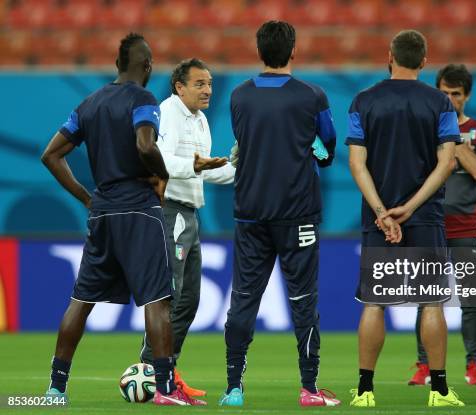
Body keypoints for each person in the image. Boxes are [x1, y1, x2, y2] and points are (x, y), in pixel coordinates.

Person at [40, 33, 203, 406]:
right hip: (139, 212)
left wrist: (87, 198)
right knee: (158, 301)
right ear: (147, 67)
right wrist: (161, 177)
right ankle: (164, 390)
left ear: (117, 65)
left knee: (80, 301)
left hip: (103, 214)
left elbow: (51, 156)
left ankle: (55, 389)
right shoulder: (144, 99)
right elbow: (145, 145)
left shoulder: (89, 104)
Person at [220, 20, 339, 407]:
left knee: (243, 300)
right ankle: (309, 389)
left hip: (251, 213)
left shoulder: (239, 96)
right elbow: (327, 149)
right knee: (303, 300)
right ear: (294, 51)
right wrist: (311, 150)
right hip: (297, 214)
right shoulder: (312, 96)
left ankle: (234, 388)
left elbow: (244, 141)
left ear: (259, 52)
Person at [347, 29, 463, 408]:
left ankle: (365, 391)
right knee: (431, 303)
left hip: (378, 218)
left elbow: (357, 163)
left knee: (374, 303)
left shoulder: (363, 101)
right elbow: (447, 162)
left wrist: (382, 211)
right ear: (425, 61)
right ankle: (440, 391)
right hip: (426, 216)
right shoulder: (441, 104)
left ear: (390, 56)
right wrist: (411, 207)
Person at [138, 58, 232, 399]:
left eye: (209, 83)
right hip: (170, 212)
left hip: (190, 214)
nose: (208, 89)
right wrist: (195, 165)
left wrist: (240, 170)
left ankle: (168, 368)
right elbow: (159, 158)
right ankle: (152, 369)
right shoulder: (169, 112)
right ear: (179, 86)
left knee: (189, 298)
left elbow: (202, 171)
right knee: (172, 296)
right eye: (199, 84)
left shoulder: (201, 120)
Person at [408, 63, 476, 387]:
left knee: (470, 301)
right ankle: (423, 365)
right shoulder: (422, 129)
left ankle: (473, 366)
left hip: (466, 225)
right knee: (427, 298)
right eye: (443, 93)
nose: (449, 98)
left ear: (466, 96)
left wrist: (453, 140)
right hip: (430, 223)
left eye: (455, 94)